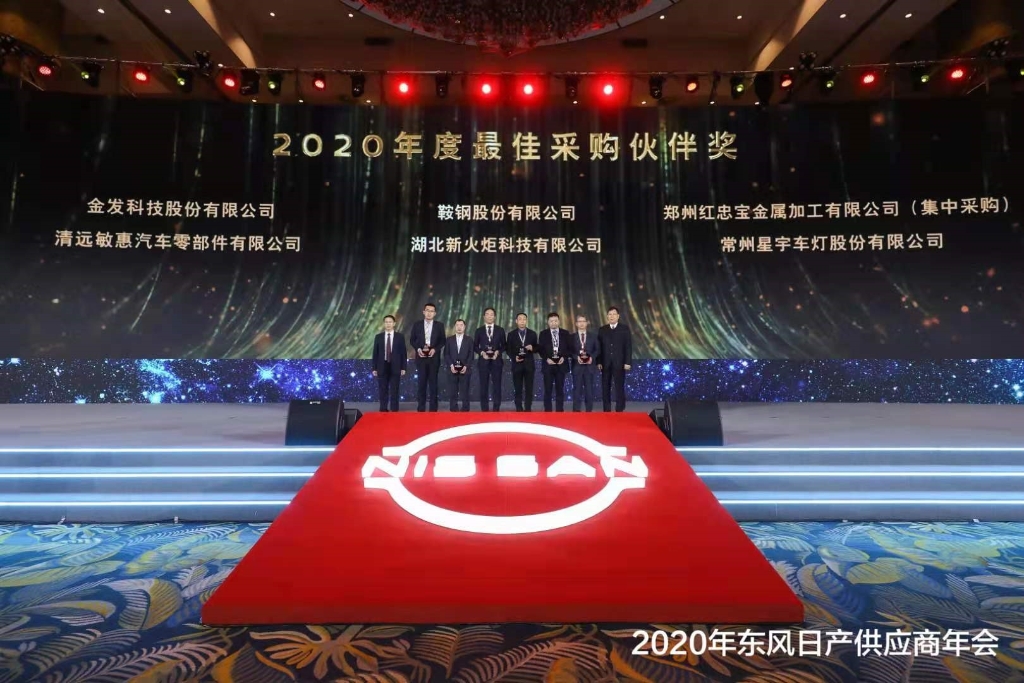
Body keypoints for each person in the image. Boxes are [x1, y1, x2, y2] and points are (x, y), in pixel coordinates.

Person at [408, 303, 445, 412]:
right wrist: (418, 349)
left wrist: (435, 349)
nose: (429, 313)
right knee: (421, 383)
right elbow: (412, 340)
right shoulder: (417, 325)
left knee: (433, 383)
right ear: (423, 312)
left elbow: (443, 340)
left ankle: (433, 408)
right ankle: (421, 407)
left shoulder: (439, 325)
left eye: (431, 311)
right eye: (427, 310)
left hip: (434, 358)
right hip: (421, 358)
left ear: (435, 313)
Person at [597, 306, 633, 412]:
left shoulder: (624, 329)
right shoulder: (602, 329)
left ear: (618, 316)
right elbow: (599, 347)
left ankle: (619, 409)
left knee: (619, 387)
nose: (611, 316)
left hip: (619, 363)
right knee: (605, 387)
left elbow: (628, 346)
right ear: (607, 316)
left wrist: (627, 362)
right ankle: (606, 409)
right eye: (610, 314)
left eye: (614, 314)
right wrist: (599, 361)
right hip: (605, 363)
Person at [537, 312, 572, 412]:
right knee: (548, 390)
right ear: (548, 322)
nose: (553, 323)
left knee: (560, 389)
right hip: (548, 365)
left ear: (559, 321)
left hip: (561, 365)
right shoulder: (543, 334)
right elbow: (540, 349)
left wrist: (564, 357)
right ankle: (548, 411)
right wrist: (546, 358)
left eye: (555, 321)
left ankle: (559, 411)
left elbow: (570, 348)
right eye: (551, 321)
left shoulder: (565, 333)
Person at [371, 315, 407, 412]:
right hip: (382, 366)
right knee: (383, 389)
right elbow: (375, 353)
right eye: (386, 322)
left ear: (394, 323)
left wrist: (403, 367)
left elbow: (403, 353)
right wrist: (374, 368)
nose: (388, 324)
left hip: (396, 366)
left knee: (395, 389)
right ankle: (383, 409)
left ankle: (394, 409)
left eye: (390, 322)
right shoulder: (378, 337)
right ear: (384, 324)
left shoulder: (400, 337)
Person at [474, 307, 506, 412]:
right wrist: (482, 353)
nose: (489, 316)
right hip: (483, 362)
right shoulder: (479, 330)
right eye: (487, 314)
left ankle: (496, 409)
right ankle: (484, 409)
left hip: (497, 362)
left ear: (495, 317)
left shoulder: (500, 330)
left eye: (491, 314)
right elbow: (475, 346)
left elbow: (504, 345)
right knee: (483, 386)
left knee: (497, 386)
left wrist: (498, 352)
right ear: (484, 317)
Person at [506, 312, 538, 412]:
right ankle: (519, 408)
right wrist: (514, 357)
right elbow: (508, 350)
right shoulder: (511, 334)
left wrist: (532, 348)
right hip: (517, 365)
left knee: (529, 388)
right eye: (520, 319)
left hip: (529, 365)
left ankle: (528, 408)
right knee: (518, 388)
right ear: (516, 321)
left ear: (526, 321)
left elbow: (537, 348)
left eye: (524, 319)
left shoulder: (532, 333)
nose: (522, 321)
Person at [570, 314, 601, 412]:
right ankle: (576, 411)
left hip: (589, 367)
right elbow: (569, 351)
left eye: (583, 321)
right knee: (577, 390)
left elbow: (598, 350)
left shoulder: (594, 336)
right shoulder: (571, 337)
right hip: (577, 366)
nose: (582, 323)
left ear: (587, 323)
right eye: (579, 321)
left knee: (589, 390)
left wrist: (592, 357)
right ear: (576, 324)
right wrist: (576, 357)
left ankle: (589, 411)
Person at [444, 319, 473, 412]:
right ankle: (453, 408)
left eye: (461, 325)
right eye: (457, 325)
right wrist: (451, 365)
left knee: (465, 390)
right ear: (455, 327)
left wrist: (466, 366)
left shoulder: (469, 340)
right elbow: (446, 354)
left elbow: (471, 354)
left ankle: (465, 408)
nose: (459, 327)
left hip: (465, 369)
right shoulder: (449, 339)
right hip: (452, 369)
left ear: (464, 327)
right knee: (453, 390)